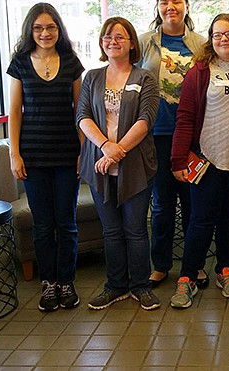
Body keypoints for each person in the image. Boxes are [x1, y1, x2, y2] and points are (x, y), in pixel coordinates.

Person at [170, 13, 229, 308]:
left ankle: (226, 270)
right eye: (217, 34)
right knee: (200, 221)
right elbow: (184, 118)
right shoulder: (200, 71)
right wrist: (177, 160)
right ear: (210, 39)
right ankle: (187, 278)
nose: (223, 39)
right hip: (207, 161)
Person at [77, 17, 161, 311]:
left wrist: (117, 150)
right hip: (98, 164)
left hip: (135, 164)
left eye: (120, 37)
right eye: (107, 36)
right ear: (102, 42)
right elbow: (83, 116)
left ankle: (140, 285)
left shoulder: (145, 78)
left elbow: (145, 120)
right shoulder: (92, 77)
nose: (113, 41)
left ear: (131, 43)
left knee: (135, 229)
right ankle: (115, 286)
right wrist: (105, 147)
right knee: (111, 230)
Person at [7, 2, 84, 312]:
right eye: (38, 28)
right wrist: (15, 154)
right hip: (34, 157)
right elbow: (14, 111)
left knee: (66, 223)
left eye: (50, 27)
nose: (44, 33)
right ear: (30, 31)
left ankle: (67, 282)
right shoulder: (20, 63)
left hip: (67, 155)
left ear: (59, 30)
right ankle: (48, 283)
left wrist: (82, 151)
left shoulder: (71, 62)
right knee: (42, 224)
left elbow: (81, 112)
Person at [137, 0, 207, 289]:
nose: (170, 7)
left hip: (193, 136)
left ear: (187, 6)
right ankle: (161, 264)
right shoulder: (143, 43)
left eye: (176, 2)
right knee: (163, 204)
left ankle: (195, 266)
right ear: (157, 6)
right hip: (157, 134)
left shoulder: (202, 45)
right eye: (164, 2)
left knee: (194, 203)